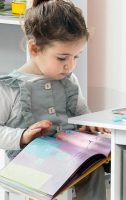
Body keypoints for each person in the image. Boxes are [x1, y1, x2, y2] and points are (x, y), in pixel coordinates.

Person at [0, 0, 109, 199]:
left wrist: (88, 125)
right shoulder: (9, 87)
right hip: (29, 162)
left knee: (94, 170)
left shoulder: (69, 81)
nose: (70, 66)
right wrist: (22, 136)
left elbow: (82, 114)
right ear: (34, 49)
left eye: (76, 57)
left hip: (70, 156)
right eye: (62, 58)